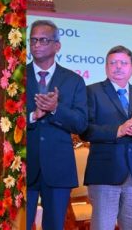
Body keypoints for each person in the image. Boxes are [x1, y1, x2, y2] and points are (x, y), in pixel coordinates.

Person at [81, 45, 132, 230]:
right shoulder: (92, 92)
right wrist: (118, 131)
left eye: (123, 63)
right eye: (113, 63)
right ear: (106, 67)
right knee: (103, 226)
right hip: (105, 172)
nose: (118, 67)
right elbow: (85, 130)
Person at [26, 20, 88, 230]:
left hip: (58, 169)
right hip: (23, 167)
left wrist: (55, 109)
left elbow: (80, 124)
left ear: (57, 46)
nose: (36, 45)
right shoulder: (16, 76)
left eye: (43, 40)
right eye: (33, 40)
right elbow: (1, 120)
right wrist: (33, 116)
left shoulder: (74, 81)